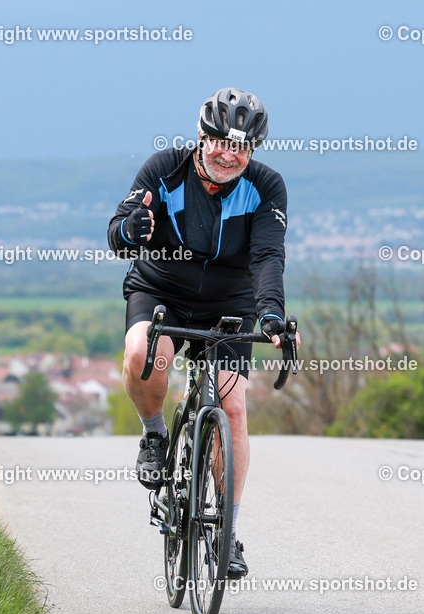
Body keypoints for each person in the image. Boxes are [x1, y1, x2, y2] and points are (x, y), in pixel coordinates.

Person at [108, 87, 296, 579]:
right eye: (220, 142)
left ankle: (226, 532)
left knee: (232, 408)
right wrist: (132, 228)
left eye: (241, 148)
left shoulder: (266, 187)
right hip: (161, 289)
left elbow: (268, 258)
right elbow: (116, 234)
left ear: (251, 151)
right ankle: (154, 434)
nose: (229, 155)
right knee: (143, 353)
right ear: (200, 136)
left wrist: (272, 314)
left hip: (228, 304)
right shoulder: (162, 169)